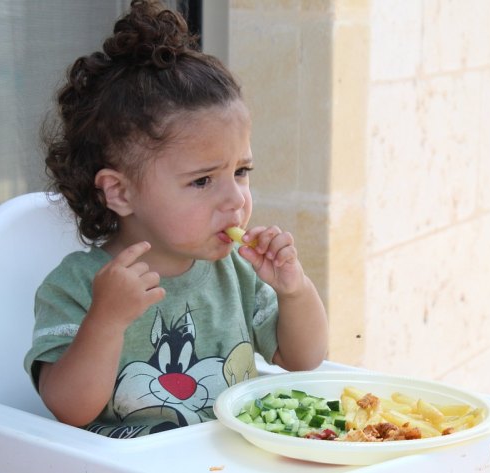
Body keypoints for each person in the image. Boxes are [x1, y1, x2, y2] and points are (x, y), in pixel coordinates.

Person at [24, 0, 328, 439]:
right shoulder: (77, 286)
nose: (235, 200)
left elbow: (304, 358)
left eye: (241, 172)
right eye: (203, 181)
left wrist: (294, 290)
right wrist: (106, 320)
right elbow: (70, 409)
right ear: (120, 192)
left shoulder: (236, 272)